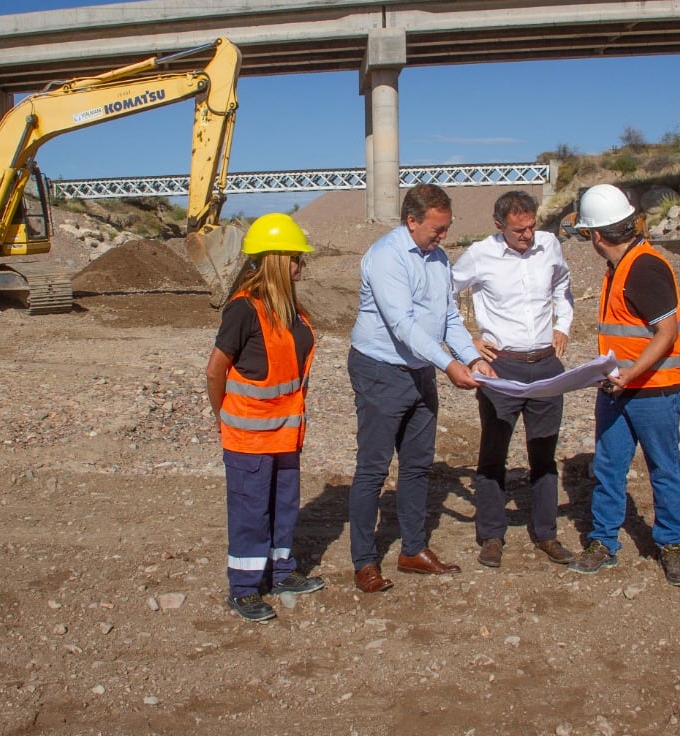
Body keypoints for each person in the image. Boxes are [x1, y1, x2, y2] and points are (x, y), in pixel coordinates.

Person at [347, 184, 496, 593]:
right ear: (412, 221)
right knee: (373, 469)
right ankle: (364, 561)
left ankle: (413, 549)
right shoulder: (385, 257)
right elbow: (403, 325)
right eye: (437, 228)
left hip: (419, 370)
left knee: (417, 464)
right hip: (380, 370)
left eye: (447, 228)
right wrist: (448, 364)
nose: (443, 236)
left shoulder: (437, 258)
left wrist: (472, 358)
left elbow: (448, 317)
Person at [567, 184, 680, 587]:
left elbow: (666, 332)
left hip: (653, 391)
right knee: (608, 467)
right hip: (619, 388)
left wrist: (630, 375)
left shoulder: (644, 267)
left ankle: (671, 545)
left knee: (663, 469)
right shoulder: (619, 267)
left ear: (597, 235)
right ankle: (603, 541)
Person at [206, 213, 326, 622]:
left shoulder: (291, 309)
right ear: (276, 258)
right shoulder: (243, 310)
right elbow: (214, 371)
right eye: (296, 258)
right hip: (250, 438)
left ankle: (281, 573)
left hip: (286, 434)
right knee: (250, 512)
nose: (301, 265)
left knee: (284, 506)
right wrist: (224, 417)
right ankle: (243, 589)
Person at [451, 190, 576, 568]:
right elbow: (442, 294)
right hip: (500, 368)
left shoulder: (550, 245)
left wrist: (563, 324)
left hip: (546, 364)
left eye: (532, 226)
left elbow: (562, 285)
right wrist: (468, 343)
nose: (528, 235)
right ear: (498, 225)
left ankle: (547, 534)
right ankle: (491, 535)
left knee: (544, 452)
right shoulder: (479, 254)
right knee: (493, 452)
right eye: (519, 229)